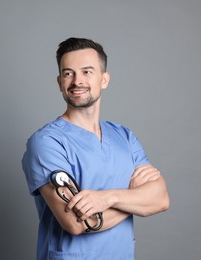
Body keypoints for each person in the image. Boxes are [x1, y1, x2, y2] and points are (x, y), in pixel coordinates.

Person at [21, 37, 170, 260]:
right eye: (68, 73)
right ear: (59, 81)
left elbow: (161, 199)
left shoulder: (124, 137)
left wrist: (107, 199)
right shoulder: (46, 142)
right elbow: (75, 223)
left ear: (104, 79)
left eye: (87, 72)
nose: (76, 81)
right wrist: (134, 197)